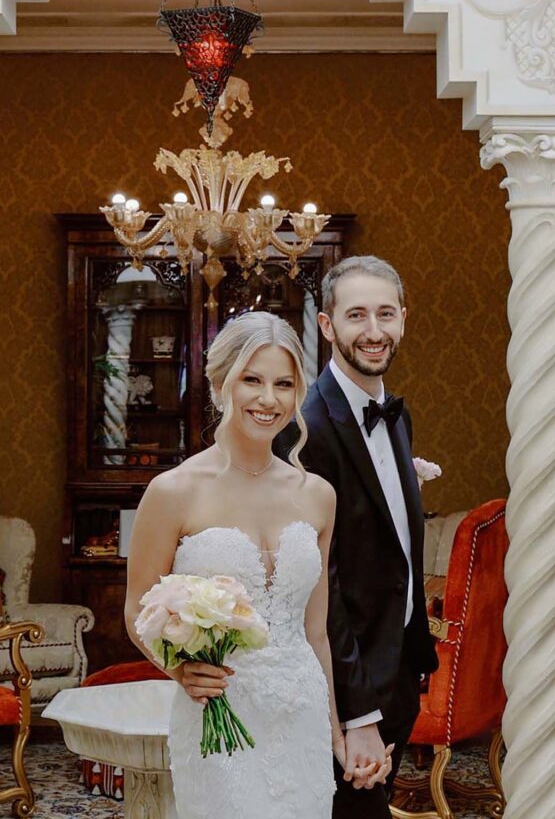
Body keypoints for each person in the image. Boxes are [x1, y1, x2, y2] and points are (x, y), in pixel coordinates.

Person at [124, 311, 393, 819]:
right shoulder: (173, 491)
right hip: (219, 712)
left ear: (298, 395)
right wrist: (180, 670)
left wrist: (338, 734)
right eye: (252, 380)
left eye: (284, 384)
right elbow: (137, 609)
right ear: (221, 382)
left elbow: (316, 634)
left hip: (301, 715)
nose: (268, 399)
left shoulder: (318, 496)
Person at [277, 256, 439, 819]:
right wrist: (357, 713)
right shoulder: (304, 428)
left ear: (403, 320)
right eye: (356, 316)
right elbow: (320, 583)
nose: (374, 331)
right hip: (347, 683)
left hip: (398, 668)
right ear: (327, 326)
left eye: (385, 314)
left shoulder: (395, 413)